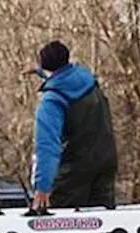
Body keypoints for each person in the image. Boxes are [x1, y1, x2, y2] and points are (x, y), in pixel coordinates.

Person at [26, 40, 118, 211]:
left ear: (45, 66)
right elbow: (63, 78)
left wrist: (42, 187)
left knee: (62, 228)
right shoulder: (85, 78)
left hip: (74, 172)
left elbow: (48, 147)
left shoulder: (51, 102)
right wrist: (39, 71)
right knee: (102, 225)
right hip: (105, 162)